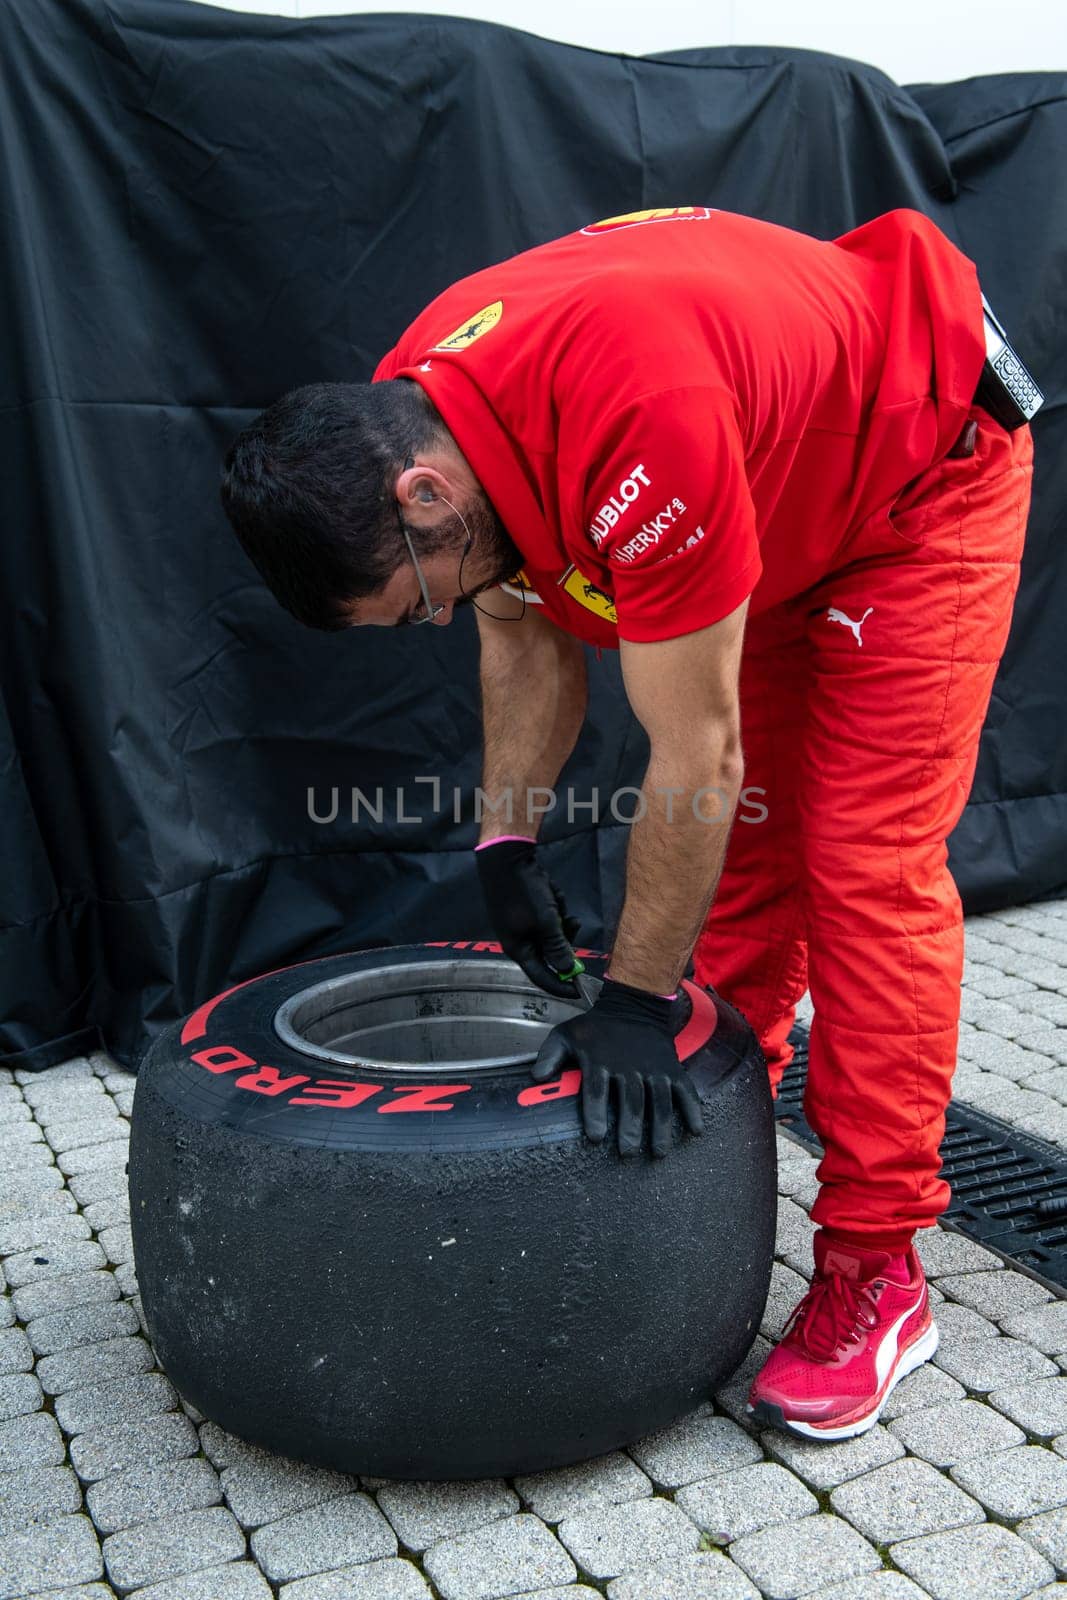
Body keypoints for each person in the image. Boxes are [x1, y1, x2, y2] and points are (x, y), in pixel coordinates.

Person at [219, 205, 1034, 1441]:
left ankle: (879, 1270)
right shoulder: (425, 403)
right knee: (749, 854)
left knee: (859, 862)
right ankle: (719, 1155)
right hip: (777, 486)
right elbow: (518, 623)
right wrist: (503, 845)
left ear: (421, 491)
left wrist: (638, 998)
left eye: (412, 600)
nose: (433, 621)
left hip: (922, 469)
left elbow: (692, 755)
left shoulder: (636, 422)